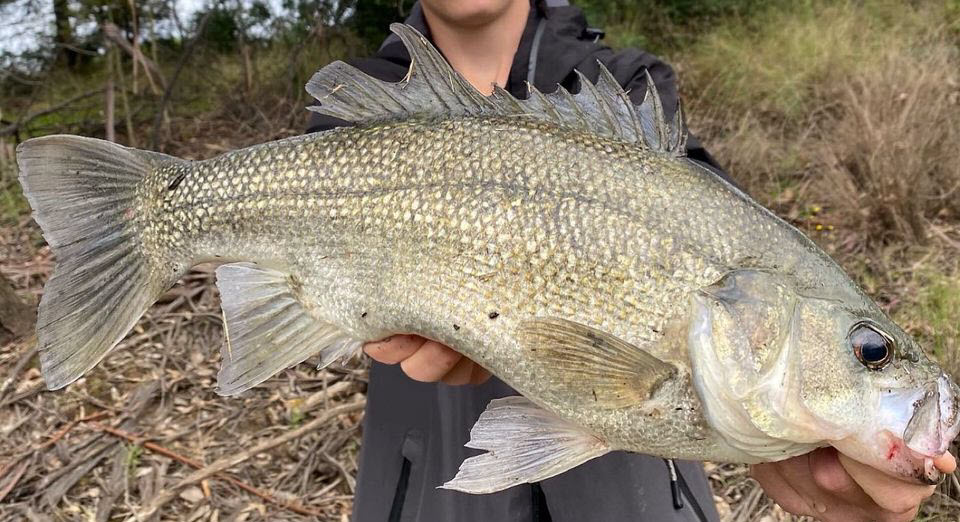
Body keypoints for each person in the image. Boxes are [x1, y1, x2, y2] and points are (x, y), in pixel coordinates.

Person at [307, 1, 956, 521]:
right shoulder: (359, 112)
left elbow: (714, 215)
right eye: (871, 351)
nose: (873, 357)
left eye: (870, 351)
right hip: (420, 479)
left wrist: (781, 440)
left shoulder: (628, 84)